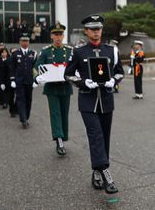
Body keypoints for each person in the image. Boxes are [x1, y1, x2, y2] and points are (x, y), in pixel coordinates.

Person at [64, 14, 124, 194]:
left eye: (98, 29)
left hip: (106, 100)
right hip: (88, 101)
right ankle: (106, 173)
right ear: (86, 31)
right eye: (92, 29)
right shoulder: (79, 51)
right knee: (96, 135)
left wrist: (114, 80)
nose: (96, 32)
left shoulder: (111, 50)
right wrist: (83, 82)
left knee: (104, 137)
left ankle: (96, 172)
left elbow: (120, 72)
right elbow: (68, 74)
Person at [34, 23, 74, 156]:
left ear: (63, 36)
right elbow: (36, 67)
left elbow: (76, 66)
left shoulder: (69, 51)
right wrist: (38, 77)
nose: (58, 37)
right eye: (55, 35)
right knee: (55, 113)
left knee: (64, 113)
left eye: (60, 34)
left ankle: (63, 137)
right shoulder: (46, 51)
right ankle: (59, 140)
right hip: (52, 88)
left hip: (65, 87)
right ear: (51, 36)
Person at [10, 33, 37, 128]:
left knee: (28, 100)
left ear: (29, 42)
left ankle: (26, 116)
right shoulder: (15, 53)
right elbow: (12, 67)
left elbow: (35, 68)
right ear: (20, 42)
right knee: (20, 99)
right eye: (23, 41)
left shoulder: (33, 54)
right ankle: (23, 119)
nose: (25, 43)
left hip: (29, 81)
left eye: (26, 41)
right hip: (19, 81)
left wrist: (36, 80)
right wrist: (12, 79)